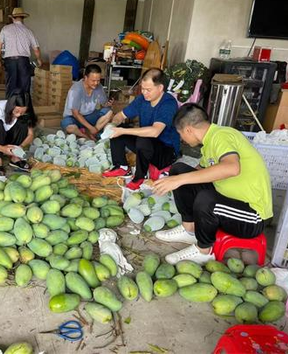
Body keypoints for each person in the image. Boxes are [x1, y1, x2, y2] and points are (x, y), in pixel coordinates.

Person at [152, 104, 273, 265]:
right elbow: (196, 172)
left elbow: (232, 167)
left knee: (205, 198)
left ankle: (204, 251)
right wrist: (169, 181)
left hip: (252, 216)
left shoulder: (221, 136)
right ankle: (189, 230)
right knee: (179, 170)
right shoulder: (209, 143)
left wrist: (179, 180)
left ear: (188, 130)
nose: (182, 139)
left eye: (180, 134)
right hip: (230, 201)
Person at [102, 68, 180, 191]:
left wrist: (122, 131)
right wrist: (113, 125)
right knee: (119, 129)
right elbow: (120, 116)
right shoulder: (142, 99)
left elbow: (155, 131)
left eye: (148, 90)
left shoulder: (168, 104)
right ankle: (121, 167)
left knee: (141, 138)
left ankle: (140, 177)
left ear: (160, 88)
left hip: (166, 152)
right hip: (147, 145)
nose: (144, 93)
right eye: (142, 89)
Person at [0, 7, 42, 97]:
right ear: (23, 18)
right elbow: (36, 49)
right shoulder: (29, 31)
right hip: (23, 62)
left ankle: (10, 108)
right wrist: (39, 59)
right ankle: (24, 108)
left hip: (10, 62)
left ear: (12, 18)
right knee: (24, 87)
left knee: (11, 86)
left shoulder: (5, 29)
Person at [61, 64, 114, 140]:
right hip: (73, 118)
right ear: (85, 78)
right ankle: (86, 136)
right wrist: (91, 127)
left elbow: (104, 105)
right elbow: (75, 114)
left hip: (89, 116)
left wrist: (108, 104)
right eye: (93, 80)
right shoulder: (76, 90)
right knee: (69, 127)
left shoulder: (99, 87)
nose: (96, 83)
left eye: (98, 80)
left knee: (109, 112)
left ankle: (92, 132)